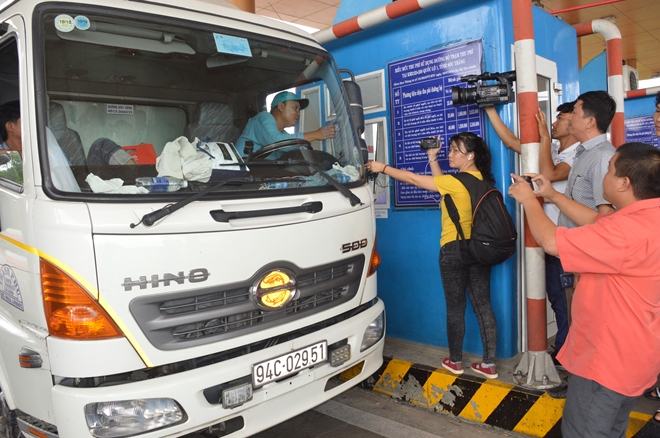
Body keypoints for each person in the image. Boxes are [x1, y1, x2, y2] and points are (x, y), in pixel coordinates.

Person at [509, 142, 660, 438]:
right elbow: (594, 220)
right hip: (637, 357)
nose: (604, 176)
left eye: (609, 170)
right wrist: (552, 194)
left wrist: (528, 201)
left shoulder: (623, 233)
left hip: (605, 363)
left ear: (624, 183)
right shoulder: (644, 219)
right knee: (612, 429)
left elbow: (551, 241)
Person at [365, 132, 500, 379]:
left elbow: (412, 179)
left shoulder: (455, 182)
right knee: (483, 305)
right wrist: (432, 157)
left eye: (455, 150)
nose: (450, 154)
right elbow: (443, 186)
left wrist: (382, 167)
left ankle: (455, 361)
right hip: (480, 250)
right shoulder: (483, 182)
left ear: (470, 156)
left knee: (455, 307)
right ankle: (489, 364)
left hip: (453, 251)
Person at [486, 103, 579, 367]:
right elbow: (513, 143)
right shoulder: (554, 151)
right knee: (557, 298)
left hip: (565, 241)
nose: (553, 122)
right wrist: (490, 110)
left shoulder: (577, 155)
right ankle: (564, 349)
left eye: (561, 117)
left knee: (566, 301)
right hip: (547, 239)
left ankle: (566, 354)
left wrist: (545, 137)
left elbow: (550, 174)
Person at [235, 91, 336, 156]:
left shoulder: (282, 134)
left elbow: (293, 148)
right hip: (241, 176)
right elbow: (275, 141)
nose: (298, 114)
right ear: (281, 106)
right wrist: (316, 134)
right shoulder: (262, 118)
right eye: (295, 108)